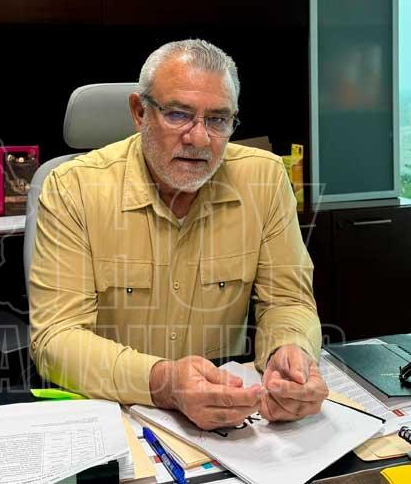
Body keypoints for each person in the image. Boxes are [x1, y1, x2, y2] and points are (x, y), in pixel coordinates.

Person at [29, 39, 327, 430]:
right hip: (113, 415)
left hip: (227, 417)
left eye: (217, 120)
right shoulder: (73, 187)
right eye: (177, 114)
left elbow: (288, 300)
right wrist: (164, 382)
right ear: (139, 112)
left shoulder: (265, 179)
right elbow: (56, 337)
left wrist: (288, 351)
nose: (199, 138)